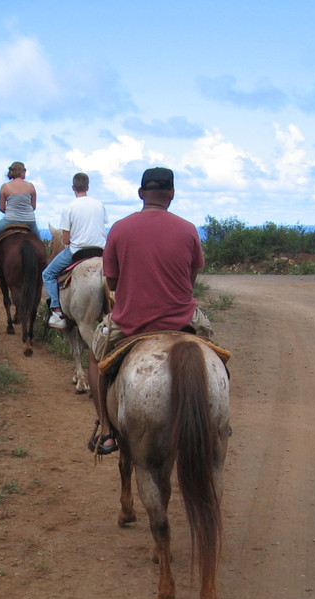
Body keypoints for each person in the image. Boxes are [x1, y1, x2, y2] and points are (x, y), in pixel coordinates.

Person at [89, 166, 212, 454]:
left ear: (141, 194)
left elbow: (113, 281)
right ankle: (215, 418)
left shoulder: (119, 229)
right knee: (212, 348)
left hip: (131, 320)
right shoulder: (188, 229)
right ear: (171, 194)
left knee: (95, 358)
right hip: (182, 318)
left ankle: (106, 431)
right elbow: (191, 279)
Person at [44, 173, 108, 329]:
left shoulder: (69, 207)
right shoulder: (99, 205)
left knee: (48, 274)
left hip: (78, 251)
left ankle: (57, 313)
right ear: (88, 187)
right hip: (100, 251)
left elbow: (65, 239)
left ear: (73, 188)